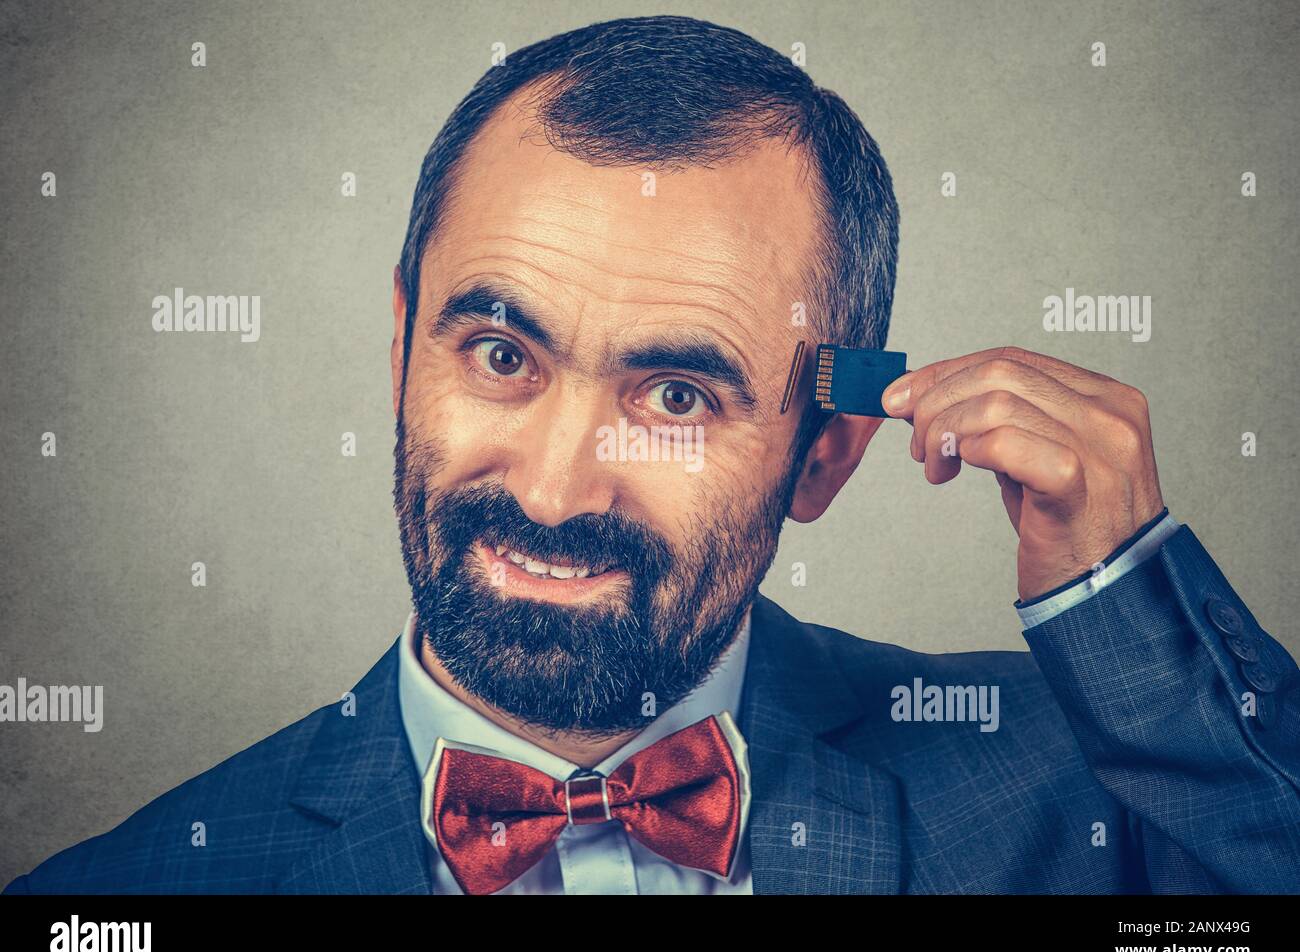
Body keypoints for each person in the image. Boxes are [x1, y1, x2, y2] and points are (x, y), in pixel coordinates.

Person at [6, 14, 1297, 895]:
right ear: (402, 343)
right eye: (502, 354)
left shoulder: (1084, 792)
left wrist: (1130, 608)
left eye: (676, 392)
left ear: (827, 450)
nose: (557, 487)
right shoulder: (125, 894)